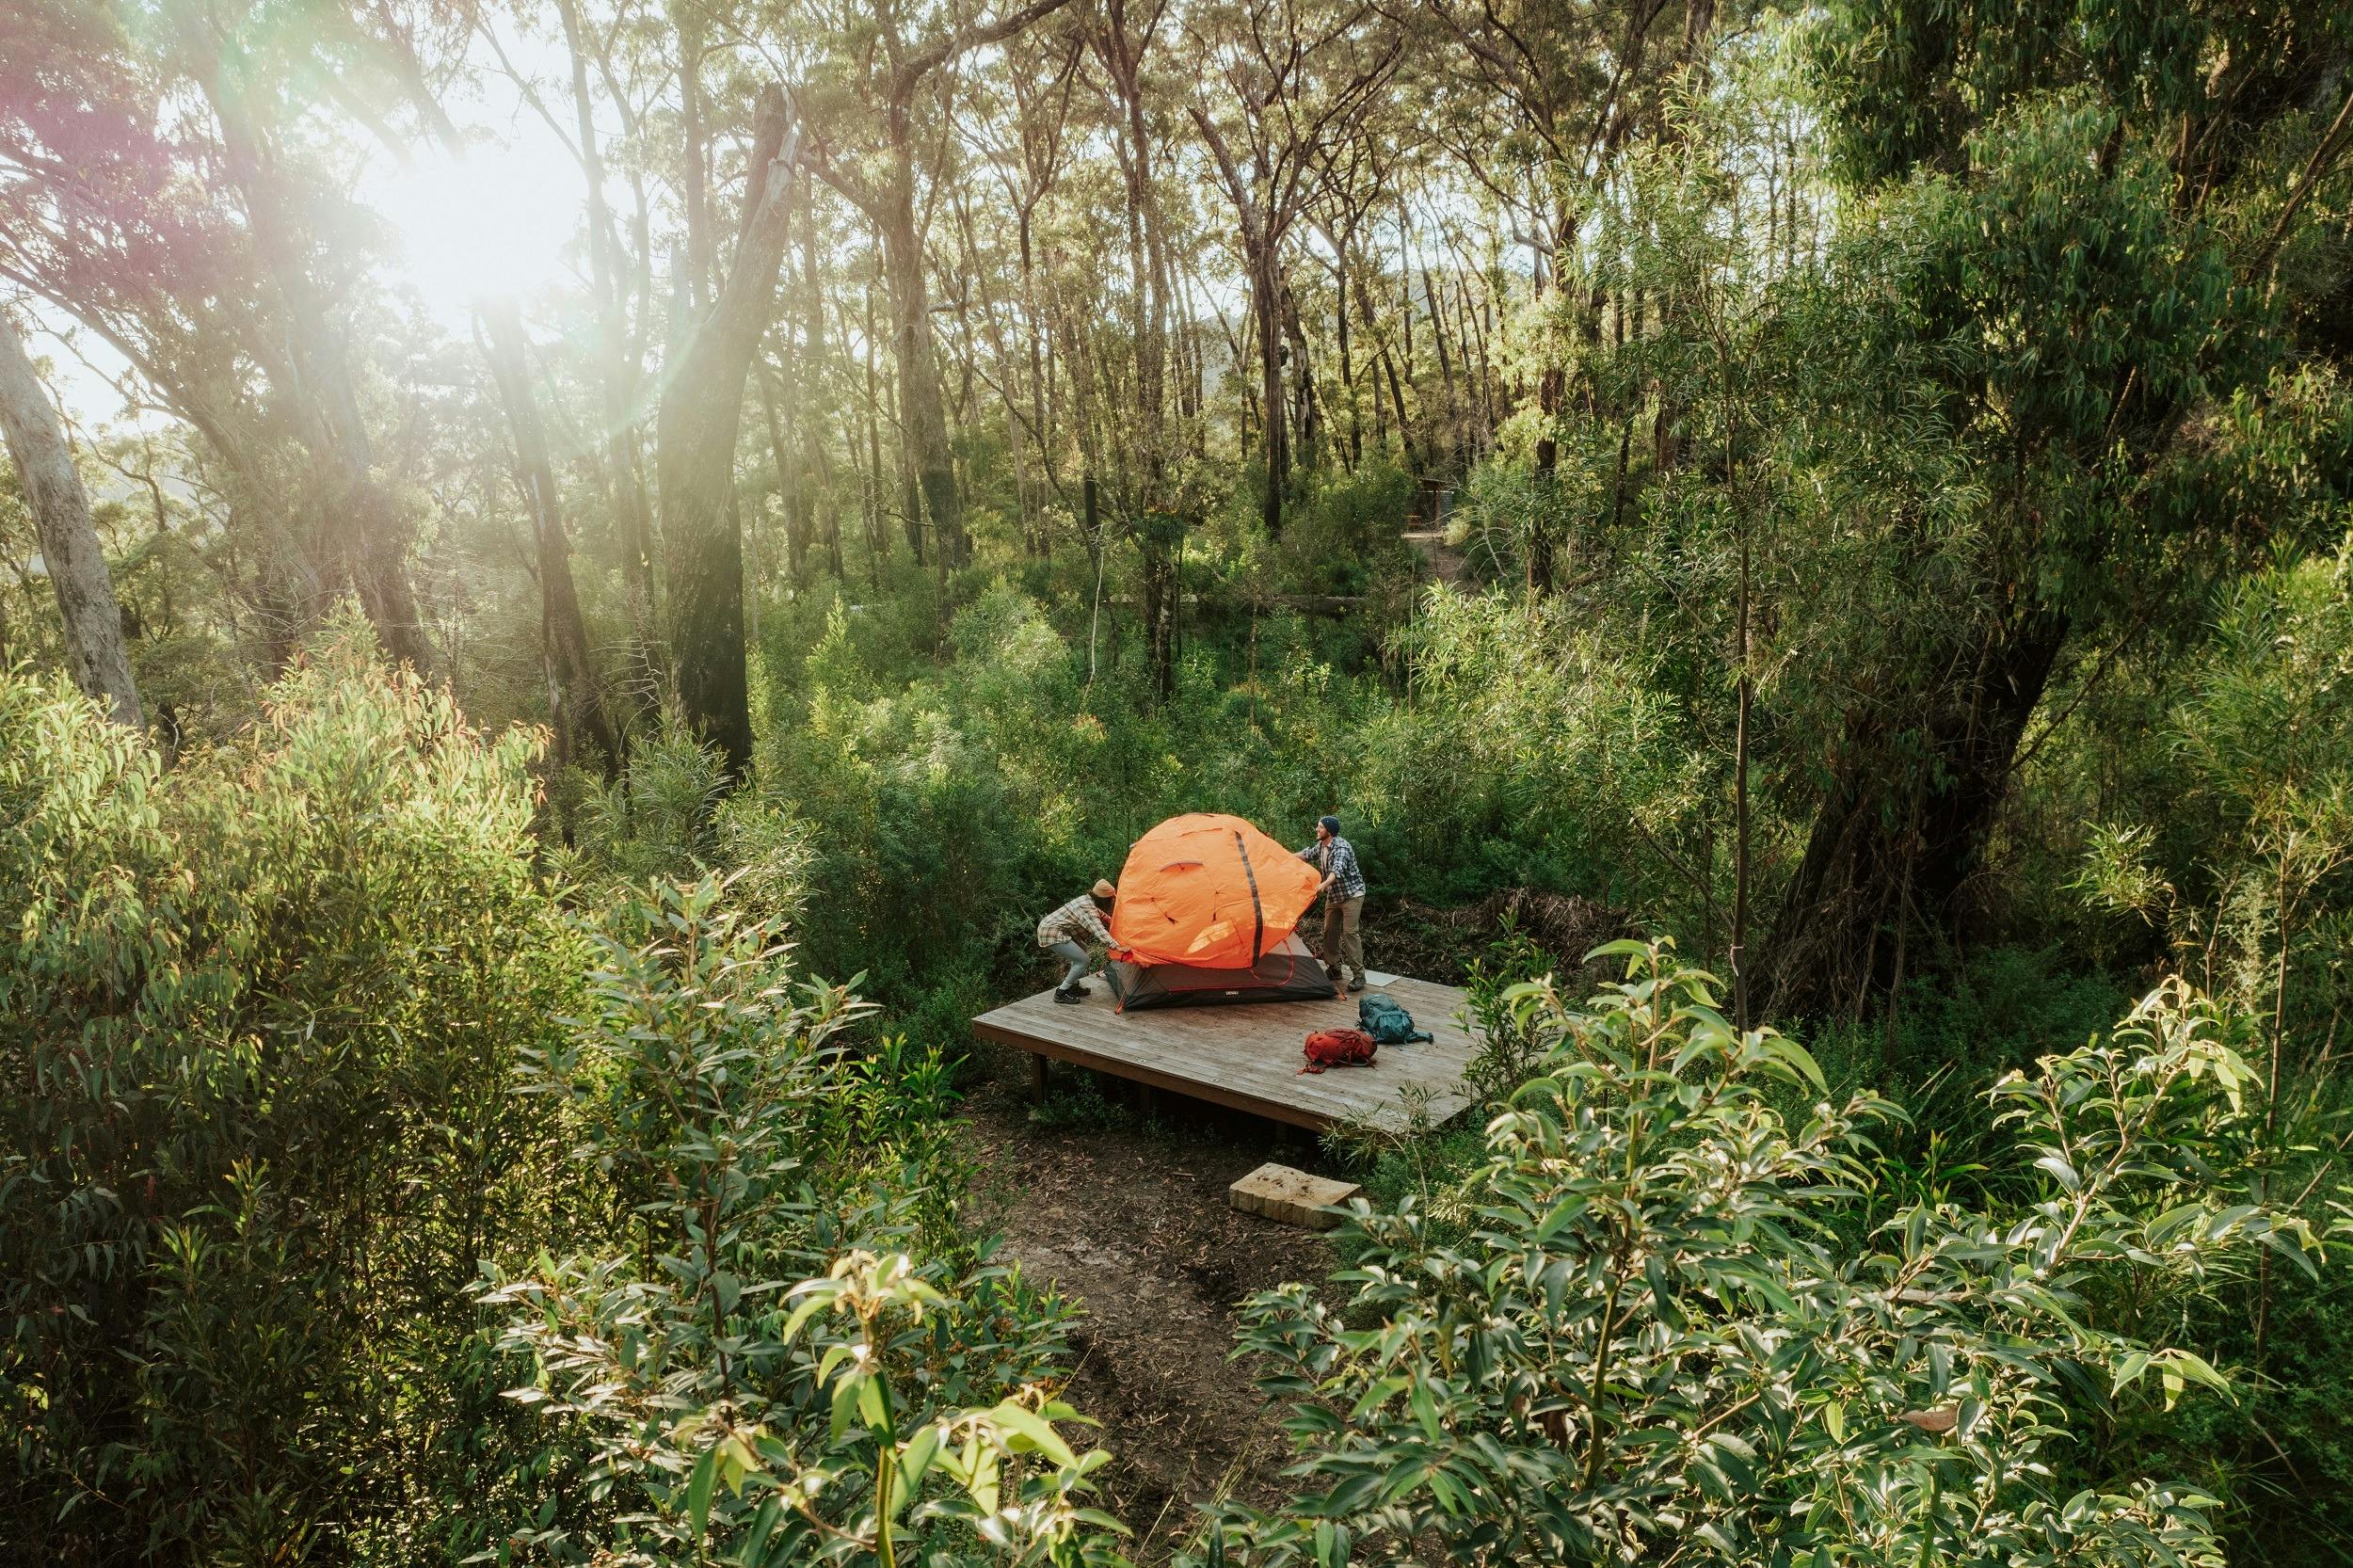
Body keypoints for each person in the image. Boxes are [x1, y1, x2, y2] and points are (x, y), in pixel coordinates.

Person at [1297, 814, 1368, 994]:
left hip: (1352, 895)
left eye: (1320, 827)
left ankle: (1359, 976)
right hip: (1334, 896)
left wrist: (1322, 885)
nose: (1317, 829)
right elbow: (1305, 855)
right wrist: (1283, 856)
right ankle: (1335, 969)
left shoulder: (1341, 847)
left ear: (1329, 831)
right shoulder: (1321, 845)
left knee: (1350, 932)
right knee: (1329, 931)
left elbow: (1336, 872)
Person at [1037, 878, 1117, 1003]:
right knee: (1083, 960)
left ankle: (1073, 988)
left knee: (1081, 952)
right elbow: (1099, 930)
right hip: (1051, 933)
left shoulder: (1087, 900)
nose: (1112, 902)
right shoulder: (1088, 909)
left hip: (1055, 929)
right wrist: (1117, 946)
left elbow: (1098, 912)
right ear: (1104, 900)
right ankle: (1061, 992)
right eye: (1111, 899)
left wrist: (1109, 919)